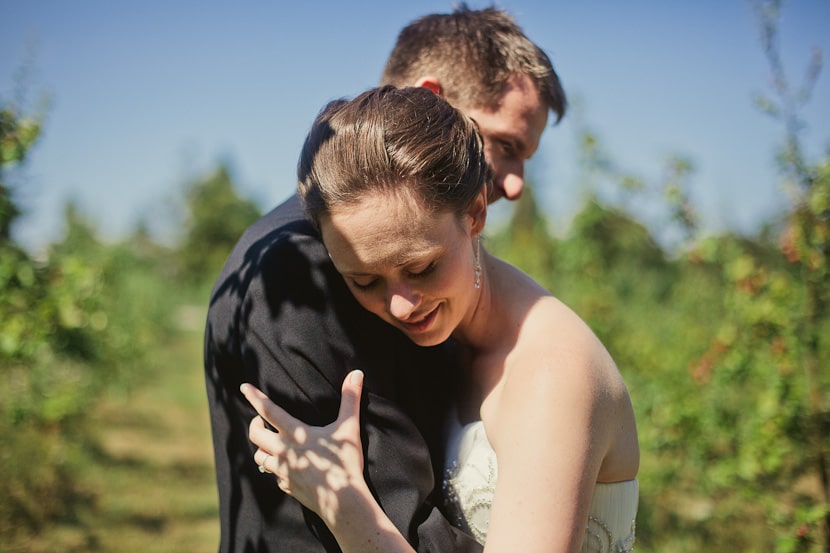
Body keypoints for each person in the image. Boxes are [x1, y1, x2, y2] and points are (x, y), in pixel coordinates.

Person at [204, 5, 566, 552]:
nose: (514, 184)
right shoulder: (300, 275)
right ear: (433, 101)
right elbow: (406, 524)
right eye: (506, 146)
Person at [240, 86, 640, 553]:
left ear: (474, 214)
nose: (400, 306)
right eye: (365, 282)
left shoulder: (551, 376)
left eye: (421, 268)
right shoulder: (447, 345)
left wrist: (344, 506)